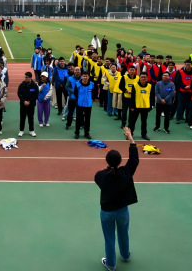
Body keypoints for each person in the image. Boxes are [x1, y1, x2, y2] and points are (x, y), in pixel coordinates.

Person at [95, 127, 138, 271]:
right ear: (120, 161)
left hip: (106, 212)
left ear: (107, 161)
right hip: (122, 211)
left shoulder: (100, 176)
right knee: (123, 233)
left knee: (109, 238)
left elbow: (100, 176)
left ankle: (111, 264)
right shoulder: (126, 172)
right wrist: (130, 139)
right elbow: (134, 160)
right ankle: (125, 255)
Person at [128, 72, 152, 140]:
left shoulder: (150, 86)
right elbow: (132, 97)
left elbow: (151, 97)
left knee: (144, 122)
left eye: (145, 77)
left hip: (145, 107)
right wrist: (132, 107)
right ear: (139, 78)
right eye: (142, 77)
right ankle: (130, 134)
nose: (143, 78)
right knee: (132, 122)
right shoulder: (135, 85)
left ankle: (144, 134)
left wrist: (150, 106)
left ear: (147, 78)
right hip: (136, 107)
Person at [17, 71, 38, 137]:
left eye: (27, 77)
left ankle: (31, 130)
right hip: (23, 104)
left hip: (31, 105)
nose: (25, 78)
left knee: (31, 118)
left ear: (30, 78)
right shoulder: (22, 85)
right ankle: (21, 130)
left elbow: (36, 95)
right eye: (25, 77)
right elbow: (19, 94)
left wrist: (29, 101)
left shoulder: (34, 86)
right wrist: (24, 101)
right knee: (22, 118)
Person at [74, 73, 94, 139]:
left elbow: (94, 93)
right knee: (78, 119)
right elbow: (75, 93)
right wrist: (79, 100)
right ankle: (77, 133)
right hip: (80, 104)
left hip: (88, 104)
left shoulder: (92, 84)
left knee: (87, 119)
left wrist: (91, 99)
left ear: (88, 77)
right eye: (84, 76)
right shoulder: (77, 84)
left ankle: (87, 133)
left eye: (86, 76)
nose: (85, 77)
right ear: (82, 77)